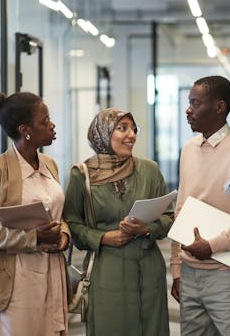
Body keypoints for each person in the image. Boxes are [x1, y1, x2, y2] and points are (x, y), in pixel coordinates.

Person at [170, 75, 230, 336]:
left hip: (228, 275)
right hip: (190, 274)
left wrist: (213, 246)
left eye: (195, 103)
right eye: (188, 102)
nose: (188, 110)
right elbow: (181, 210)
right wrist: (177, 269)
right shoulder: (188, 149)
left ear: (219, 107)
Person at [63, 107, 173, 336]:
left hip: (148, 268)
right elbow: (71, 224)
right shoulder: (81, 175)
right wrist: (102, 238)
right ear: (102, 133)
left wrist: (147, 229)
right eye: (122, 128)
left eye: (133, 129)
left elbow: (169, 217)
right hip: (107, 270)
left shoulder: (149, 170)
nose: (131, 134)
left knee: (151, 328)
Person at [0, 92, 71, 336]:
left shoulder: (50, 164)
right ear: (25, 130)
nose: (52, 125)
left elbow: (59, 215)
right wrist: (34, 238)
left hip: (52, 271)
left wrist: (64, 236)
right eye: (44, 121)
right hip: (15, 281)